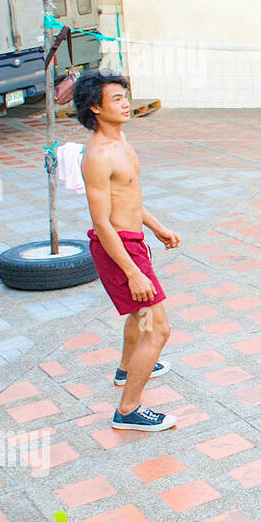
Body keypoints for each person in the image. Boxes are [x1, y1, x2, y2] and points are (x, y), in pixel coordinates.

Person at [74, 70, 180, 433]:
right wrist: (133, 271)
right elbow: (102, 223)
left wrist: (157, 226)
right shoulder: (98, 156)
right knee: (158, 330)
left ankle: (125, 371)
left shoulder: (121, 141)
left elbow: (129, 198)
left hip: (133, 242)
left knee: (139, 317)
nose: (125, 104)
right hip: (118, 248)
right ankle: (129, 409)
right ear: (95, 108)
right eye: (116, 99)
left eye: (125, 96)